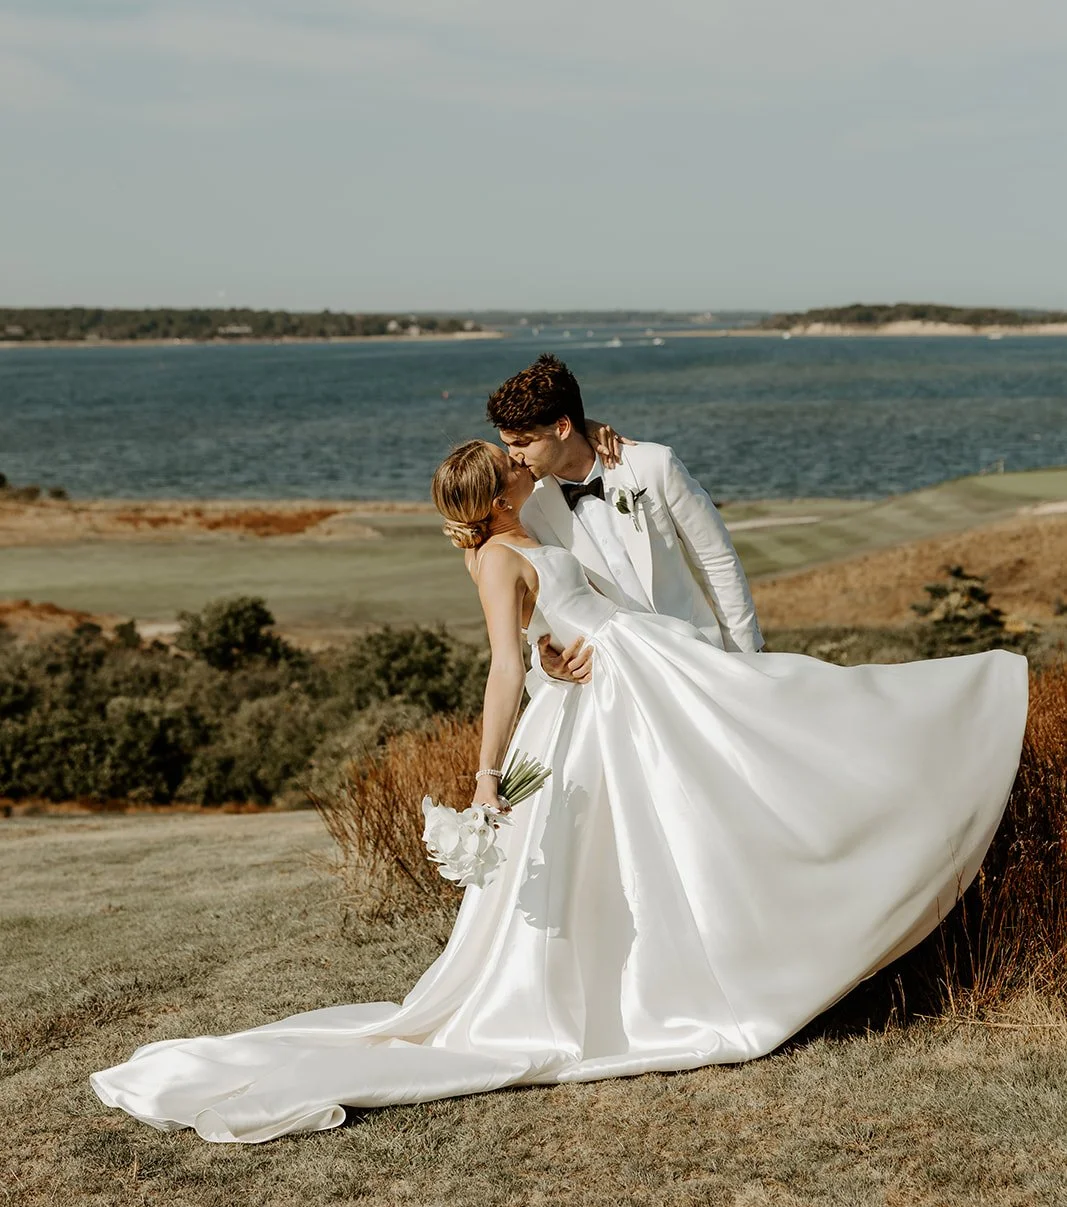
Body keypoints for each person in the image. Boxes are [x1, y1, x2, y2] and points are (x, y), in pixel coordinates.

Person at [91, 441, 1028, 1143]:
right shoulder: (498, 555)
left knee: (769, 738)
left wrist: (563, 640)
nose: (521, 465)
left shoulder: (519, 529)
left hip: (629, 673)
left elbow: (558, 616)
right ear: (499, 493)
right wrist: (486, 775)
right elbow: (502, 666)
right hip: (598, 702)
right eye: (511, 464)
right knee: (697, 797)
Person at [486, 354, 762, 689]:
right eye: (508, 445)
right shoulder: (528, 509)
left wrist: (745, 657)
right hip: (610, 681)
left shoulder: (653, 465)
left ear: (561, 427)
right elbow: (543, 607)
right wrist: (546, 663)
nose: (513, 456)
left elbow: (716, 560)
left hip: (696, 657)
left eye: (522, 443)